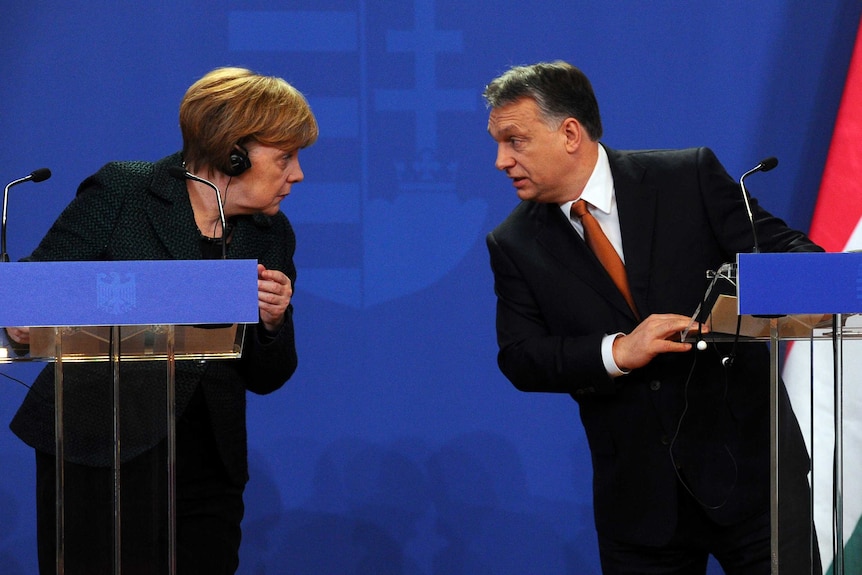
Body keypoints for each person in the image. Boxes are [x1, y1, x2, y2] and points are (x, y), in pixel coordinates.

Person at [484, 61, 822, 574]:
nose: (500, 160)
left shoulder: (686, 176)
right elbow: (521, 357)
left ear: (569, 132)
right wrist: (617, 351)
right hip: (639, 506)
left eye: (514, 141)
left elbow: (794, 255)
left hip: (755, 481)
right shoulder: (513, 243)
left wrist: (738, 298)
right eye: (498, 143)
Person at [5, 66, 317, 574]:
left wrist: (274, 321)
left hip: (205, 466)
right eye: (285, 157)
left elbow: (269, 376)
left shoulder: (271, 234)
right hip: (97, 449)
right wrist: (24, 315)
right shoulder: (125, 191)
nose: (297, 174)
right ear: (232, 151)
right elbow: (38, 286)